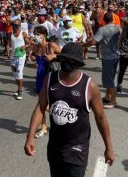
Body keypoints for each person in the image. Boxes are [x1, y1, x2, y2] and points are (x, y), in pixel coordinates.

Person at [24, 42, 115, 177]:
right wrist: (30, 137)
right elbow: (40, 108)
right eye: (64, 59)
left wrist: (109, 147)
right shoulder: (50, 79)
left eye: (70, 60)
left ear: (78, 63)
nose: (66, 62)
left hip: (77, 147)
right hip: (55, 145)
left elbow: (100, 118)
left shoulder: (89, 86)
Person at [30, 26, 61, 138]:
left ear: (44, 35)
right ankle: (43, 127)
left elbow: (65, 55)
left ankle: (59, 122)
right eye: (35, 34)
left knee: (53, 103)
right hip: (40, 78)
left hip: (51, 77)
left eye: (38, 34)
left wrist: (53, 56)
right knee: (41, 104)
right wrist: (32, 57)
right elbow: (33, 55)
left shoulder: (51, 45)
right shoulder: (35, 46)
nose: (36, 36)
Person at [94, 12, 122, 109]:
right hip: (116, 56)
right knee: (111, 77)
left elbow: (94, 41)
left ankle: (113, 101)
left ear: (103, 20)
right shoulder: (118, 28)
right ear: (112, 19)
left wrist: (83, 45)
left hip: (107, 58)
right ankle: (108, 96)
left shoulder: (102, 30)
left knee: (109, 79)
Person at [6, 19, 30, 100]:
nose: (15, 26)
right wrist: (7, 52)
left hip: (21, 56)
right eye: (14, 25)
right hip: (13, 56)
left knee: (19, 72)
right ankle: (20, 87)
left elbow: (29, 43)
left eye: (17, 25)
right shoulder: (10, 34)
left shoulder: (23, 33)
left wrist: (25, 46)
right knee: (14, 73)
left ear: (20, 25)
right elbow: (8, 43)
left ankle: (20, 91)